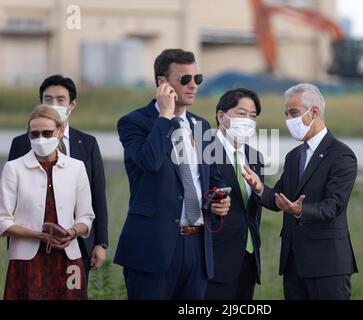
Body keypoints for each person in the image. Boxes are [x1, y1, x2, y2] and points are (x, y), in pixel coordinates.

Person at [113, 48, 231, 300]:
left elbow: (213, 177)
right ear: (162, 83)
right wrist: (165, 116)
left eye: (196, 78)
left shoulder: (202, 125)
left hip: (197, 247)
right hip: (153, 248)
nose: (193, 86)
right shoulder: (133, 123)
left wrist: (219, 198)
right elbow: (150, 161)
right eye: (185, 79)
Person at [242, 83, 358, 300]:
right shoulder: (294, 156)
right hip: (294, 264)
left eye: (293, 113)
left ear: (314, 112)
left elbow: (333, 206)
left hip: (328, 266)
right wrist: (258, 188)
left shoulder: (342, 155)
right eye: (286, 114)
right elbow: (279, 198)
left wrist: (299, 210)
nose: (289, 120)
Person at [8, 75, 108, 279]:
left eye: (60, 99)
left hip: (77, 241)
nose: (54, 104)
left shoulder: (87, 143)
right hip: (30, 243)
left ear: (72, 104)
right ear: (40, 102)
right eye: (48, 99)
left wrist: (100, 243)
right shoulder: (21, 143)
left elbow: (97, 195)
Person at [0, 105, 95, 300]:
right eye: (34, 134)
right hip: (27, 261)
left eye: (47, 132)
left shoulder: (76, 167)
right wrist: (39, 236)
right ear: (28, 135)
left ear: (60, 131)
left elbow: (86, 216)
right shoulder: (13, 168)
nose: (40, 139)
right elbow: (3, 220)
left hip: (68, 259)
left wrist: (73, 232)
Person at [205, 88, 264, 300]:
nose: (247, 120)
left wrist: (261, 190)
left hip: (247, 256)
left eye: (253, 116)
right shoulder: (205, 152)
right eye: (241, 113)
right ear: (222, 116)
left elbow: (253, 209)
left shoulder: (255, 157)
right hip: (216, 257)